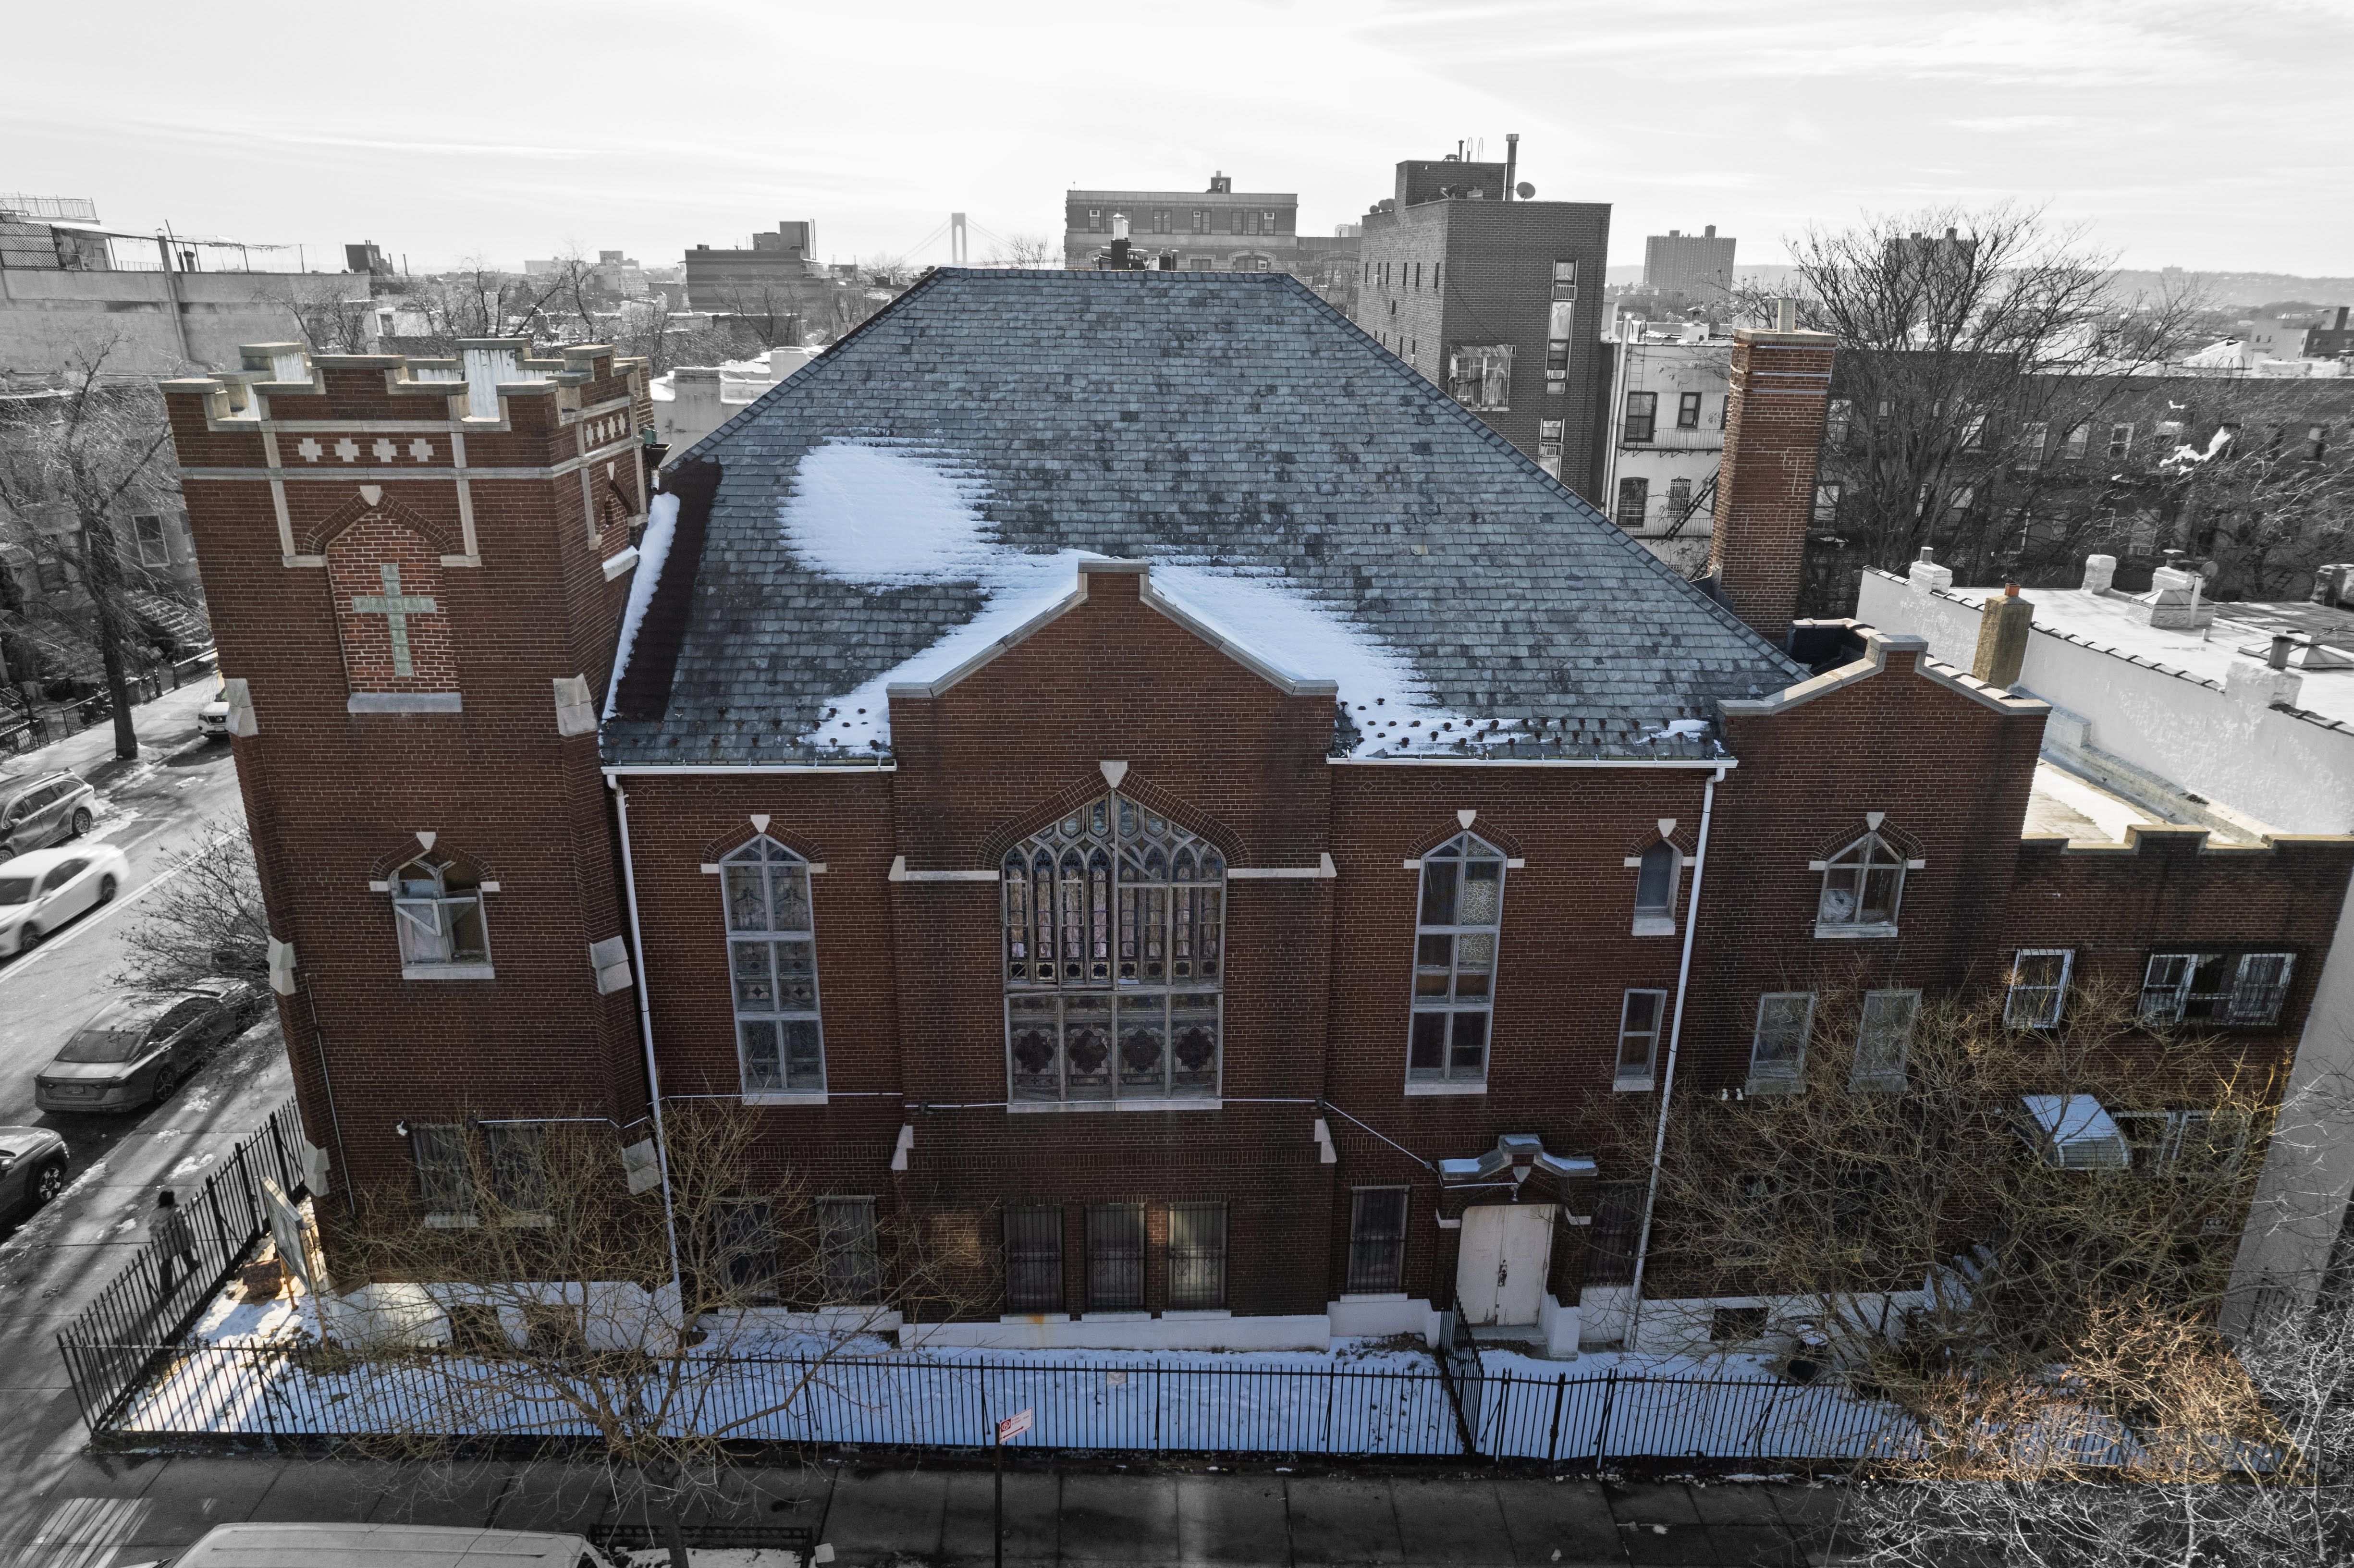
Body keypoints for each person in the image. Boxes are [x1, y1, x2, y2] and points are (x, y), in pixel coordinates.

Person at [153, 1189, 198, 1300]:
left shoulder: (154, 1214)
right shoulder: (176, 1212)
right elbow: (185, 1228)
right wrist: (192, 1241)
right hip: (178, 1239)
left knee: (166, 1263)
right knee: (185, 1250)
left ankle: (165, 1289)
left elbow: (153, 1230)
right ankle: (192, 1265)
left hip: (164, 1243)